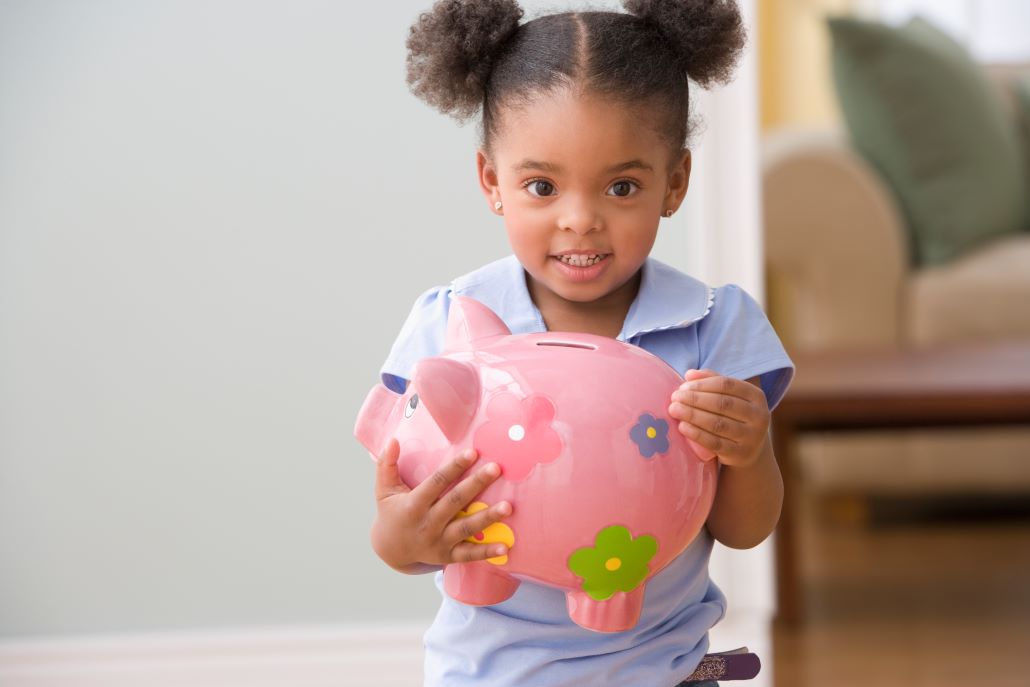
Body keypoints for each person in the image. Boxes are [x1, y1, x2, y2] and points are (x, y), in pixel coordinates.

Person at [368, 1, 795, 685]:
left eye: (622, 186)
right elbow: (396, 531)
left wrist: (750, 447)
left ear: (674, 182)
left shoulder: (714, 326)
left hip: (662, 670)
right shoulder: (450, 326)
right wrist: (409, 535)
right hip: (491, 674)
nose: (579, 221)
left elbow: (745, 530)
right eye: (541, 186)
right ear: (492, 183)